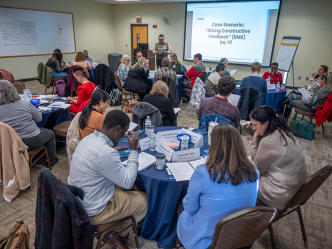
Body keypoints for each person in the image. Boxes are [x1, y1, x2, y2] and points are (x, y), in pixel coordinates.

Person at [67, 110, 147, 249]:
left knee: (125, 187)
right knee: (144, 201)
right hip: (95, 210)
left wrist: (113, 149)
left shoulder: (88, 139)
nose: (125, 136)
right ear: (118, 129)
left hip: (79, 201)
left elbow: (99, 158)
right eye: (125, 131)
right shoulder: (106, 154)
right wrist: (133, 150)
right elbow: (128, 181)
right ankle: (117, 230)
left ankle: (117, 231)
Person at [177, 123, 259, 249]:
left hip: (209, 239)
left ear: (214, 145)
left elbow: (190, 208)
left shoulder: (203, 172)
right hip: (240, 234)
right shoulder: (254, 171)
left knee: (180, 208)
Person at [250, 106, 308, 210]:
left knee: (241, 179)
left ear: (266, 123)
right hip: (298, 191)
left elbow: (257, 170)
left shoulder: (269, 141)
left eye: (255, 125)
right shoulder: (285, 132)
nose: (254, 128)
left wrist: (254, 140)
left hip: (279, 195)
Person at [0, 80, 58, 166]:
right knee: (51, 133)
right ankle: (51, 160)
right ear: (13, 90)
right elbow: (39, 119)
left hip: (9, 143)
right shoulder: (25, 104)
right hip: (32, 140)